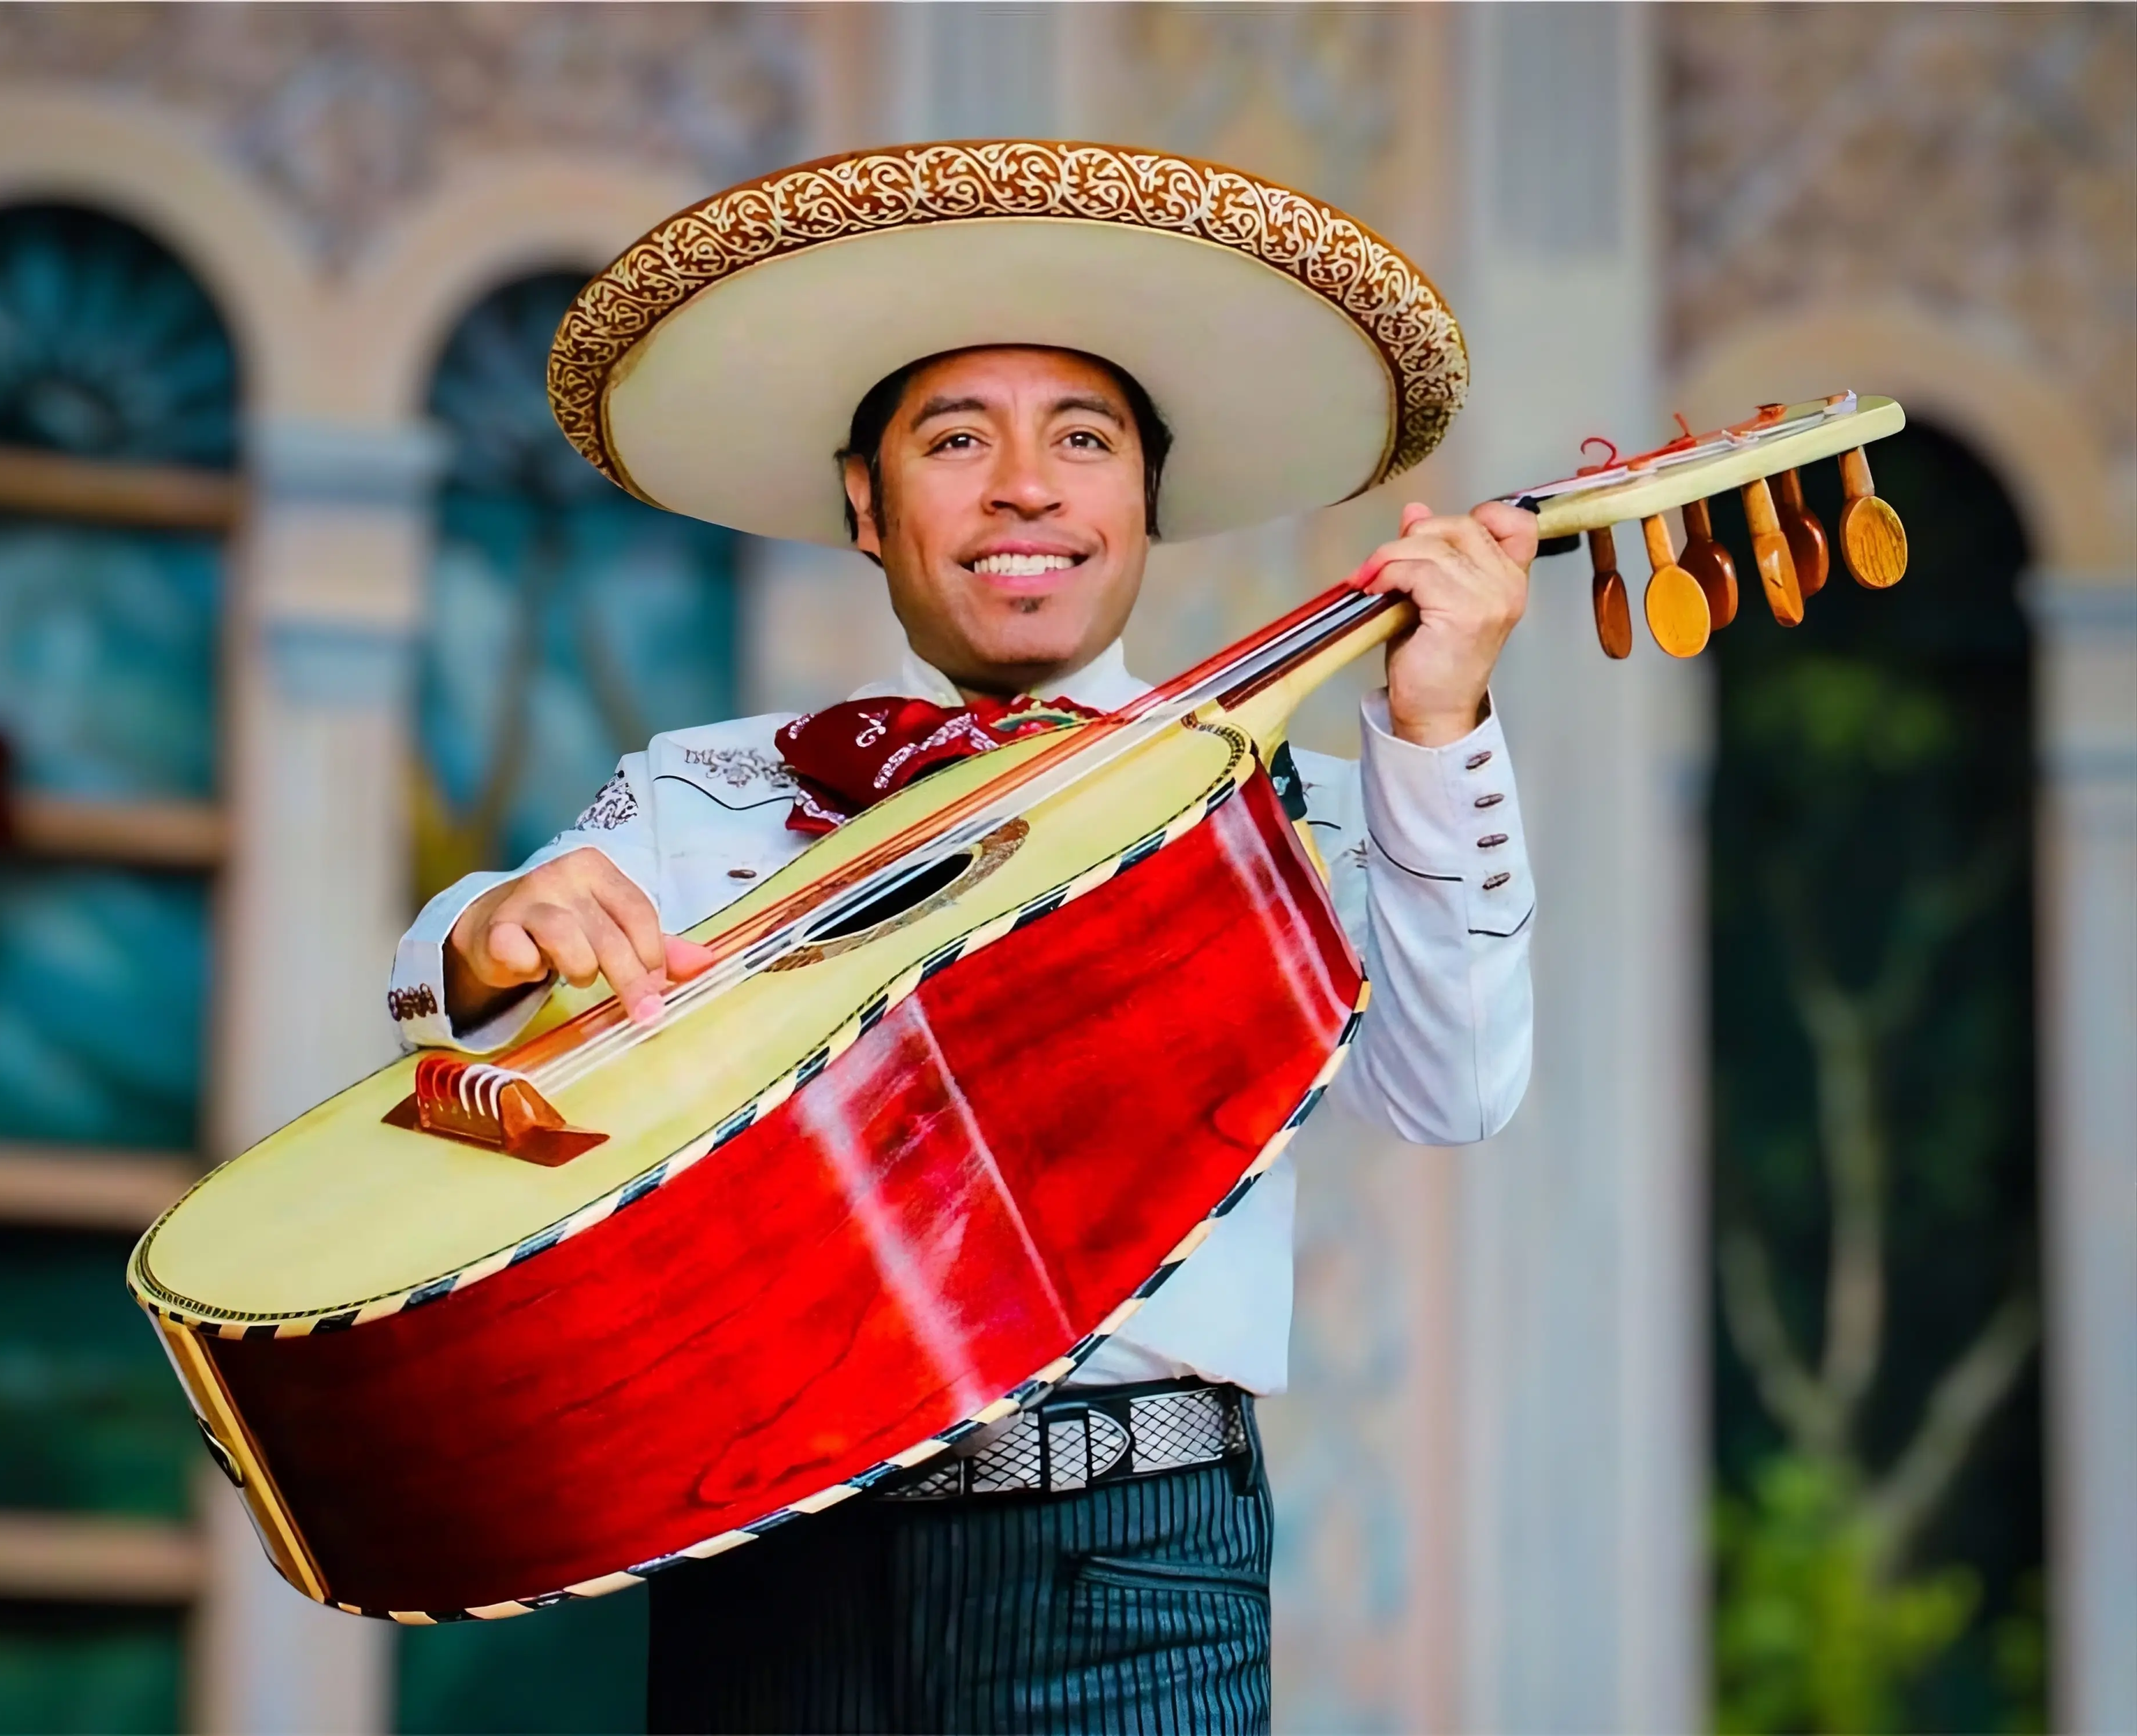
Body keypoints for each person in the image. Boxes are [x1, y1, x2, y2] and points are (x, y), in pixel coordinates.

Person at [387, 143, 1535, 1734]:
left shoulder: (1285, 808)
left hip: (1128, 1560)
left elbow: (1454, 1084)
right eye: (955, 439)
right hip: (763, 1547)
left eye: (1084, 437)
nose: (1026, 488)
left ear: (1143, 499)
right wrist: (489, 933)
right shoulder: (709, 789)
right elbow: (439, 1024)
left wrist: (1438, 728)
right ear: (866, 502)